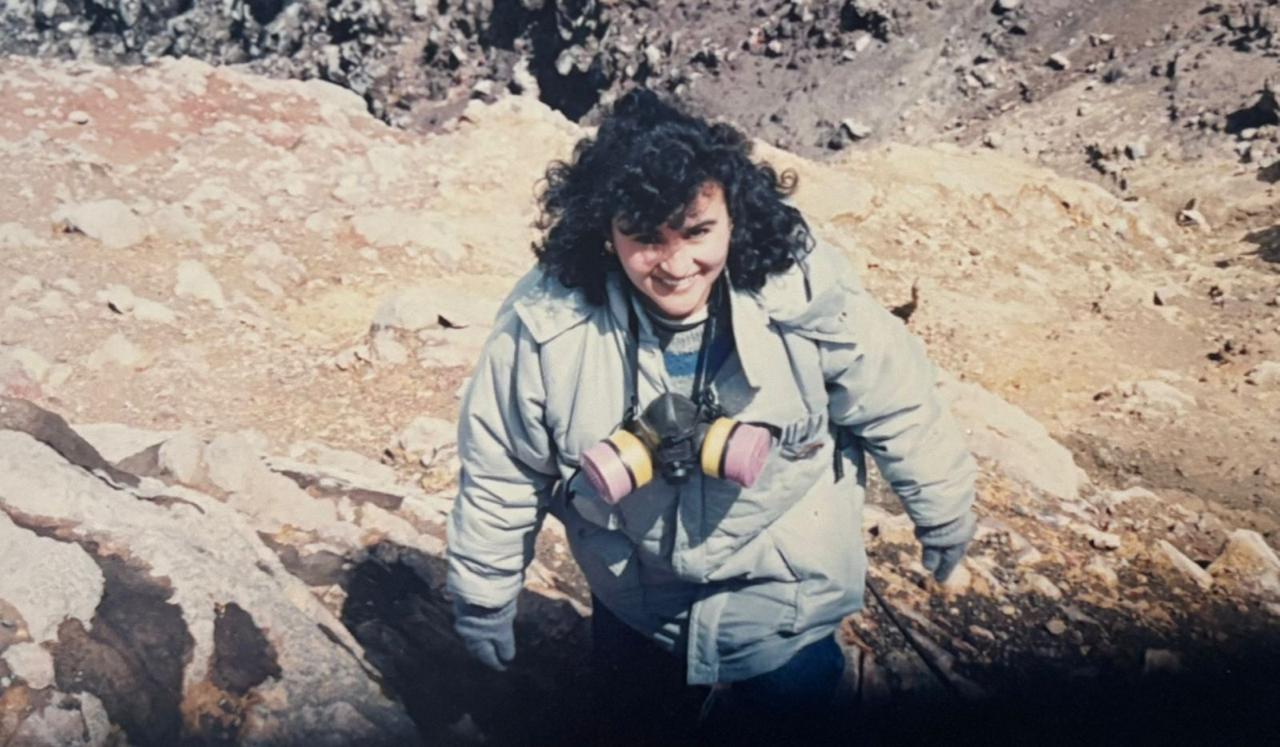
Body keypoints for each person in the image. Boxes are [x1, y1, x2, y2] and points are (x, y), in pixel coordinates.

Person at [446, 89, 977, 743]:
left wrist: (945, 510)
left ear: (735, 215)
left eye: (698, 232)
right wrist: (483, 596)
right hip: (637, 603)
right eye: (645, 239)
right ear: (603, 230)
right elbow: (503, 464)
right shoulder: (548, 324)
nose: (674, 265)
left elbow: (899, 401)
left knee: (791, 717)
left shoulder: (810, 302)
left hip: (784, 602)